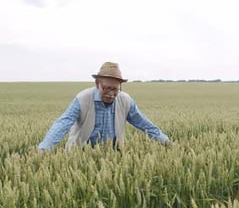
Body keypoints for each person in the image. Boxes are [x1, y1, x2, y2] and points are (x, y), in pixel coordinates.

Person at [38, 61, 170, 151]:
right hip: (79, 157)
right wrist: (44, 149)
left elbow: (144, 124)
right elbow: (62, 123)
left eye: (115, 89)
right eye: (106, 88)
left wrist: (165, 141)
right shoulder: (83, 99)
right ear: (97, 84)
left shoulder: (125, 100)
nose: (111, 93)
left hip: (112, 157)